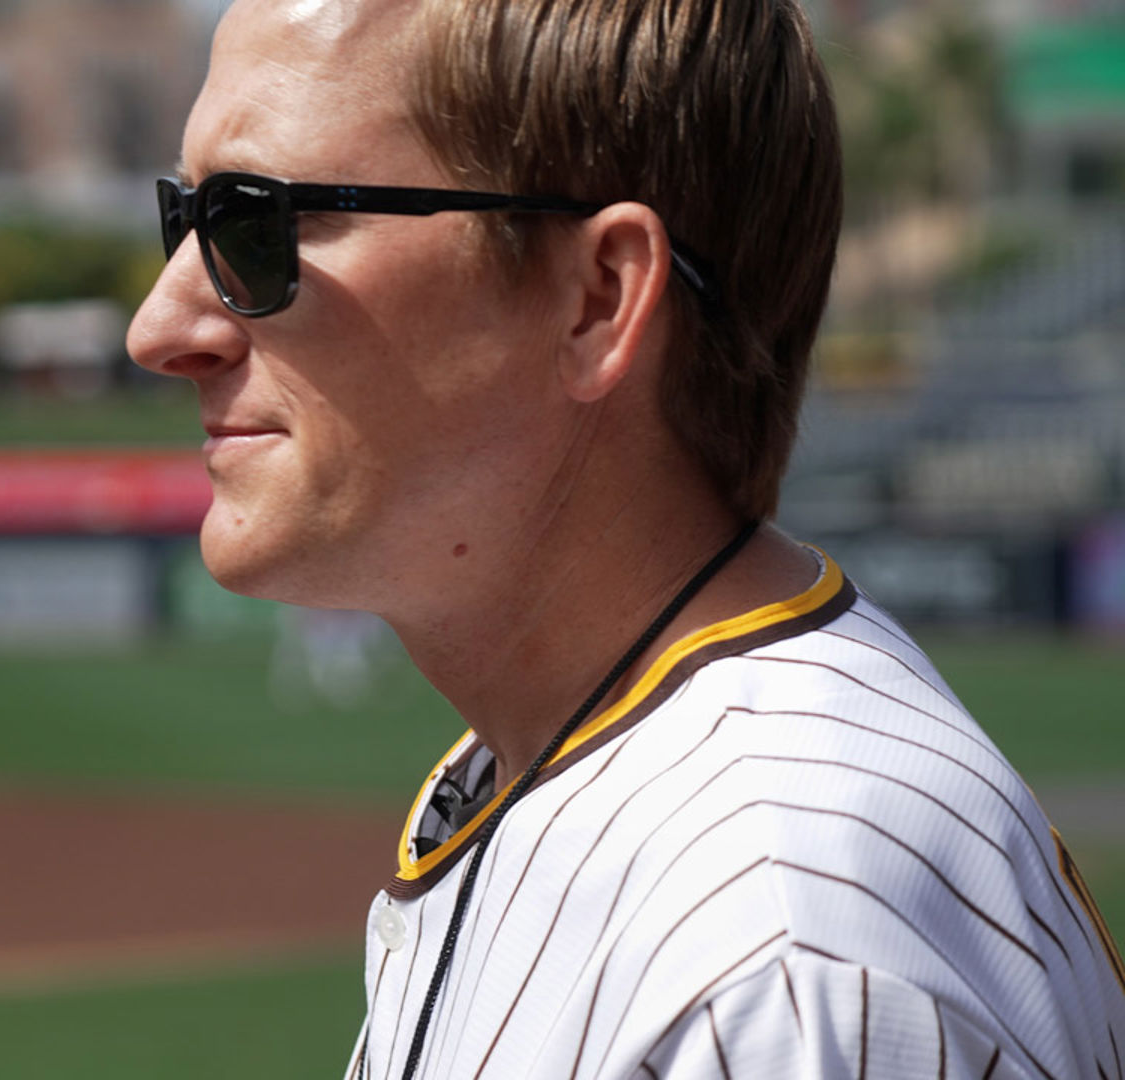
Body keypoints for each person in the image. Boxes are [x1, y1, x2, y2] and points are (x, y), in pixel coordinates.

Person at [126, 0, 1125, 1076]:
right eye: (185, 218)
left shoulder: (774, 949)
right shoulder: (571, 765)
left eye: (256, 224)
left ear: (598, 297)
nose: (159, 328)